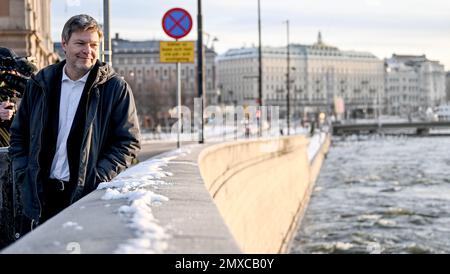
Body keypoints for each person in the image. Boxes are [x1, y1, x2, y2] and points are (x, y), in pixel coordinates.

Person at [9, 14, 141, 237]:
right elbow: (19, 134)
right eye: (80, 43)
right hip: (40, 195)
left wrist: (98, 178)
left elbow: (128, 142)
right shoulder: (41, 83)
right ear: (64, 44)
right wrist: (24, 173)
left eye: (93, 45)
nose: (87, 50)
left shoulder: (115, 88)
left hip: (84, 194)